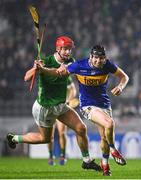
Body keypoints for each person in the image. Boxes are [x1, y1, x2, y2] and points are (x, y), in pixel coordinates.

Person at [6, 36, 101, 172]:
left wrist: (43, 69)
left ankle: (86, 161)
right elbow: (26, 78)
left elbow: (60, 73)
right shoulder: (47, 61)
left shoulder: (70, 62)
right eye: (65, 49)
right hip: (44, 108)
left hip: (60, 106)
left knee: (81, 128)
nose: (68, 52)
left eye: (70, 49)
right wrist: (35, 68)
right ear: (58, 49)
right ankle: (14, 138)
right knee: (45, 138)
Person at [35, 44, 129, 176]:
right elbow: (58, 72)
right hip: (87, 105)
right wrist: (43, 70)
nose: (98, 61)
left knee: (104, 137)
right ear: (91, 57)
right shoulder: (79, 65)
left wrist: (120, 86)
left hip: (104, 105)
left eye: (101, 58)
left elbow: (125, 77)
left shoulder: (107, 65)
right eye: (95, 58)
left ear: (105, 58)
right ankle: (114, 150)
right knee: (109, 123)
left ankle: (105, 165)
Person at [48, 77, 78, 166]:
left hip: (62, 107)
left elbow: (73, 90)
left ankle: (63, 155)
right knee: (50, 136)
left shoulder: (65, 76)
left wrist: (68, 100)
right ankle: (50, 156)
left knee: (62, 133)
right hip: (50, 108)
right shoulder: (47, 76)